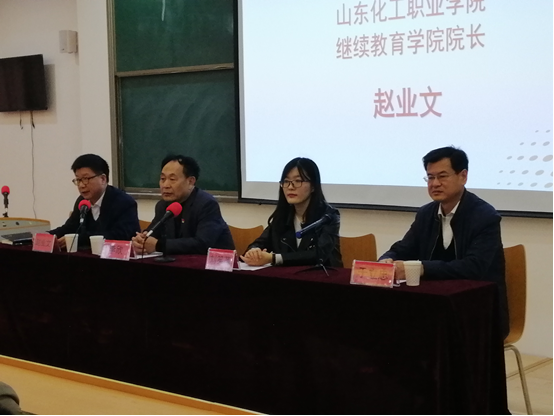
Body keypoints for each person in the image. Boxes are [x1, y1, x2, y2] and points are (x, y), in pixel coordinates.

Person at [379, 146, 509, 338]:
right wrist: (387, 260)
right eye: (430, 177)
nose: (435, 184)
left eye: (442, 176)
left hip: (477, 311)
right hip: (434, 306)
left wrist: (420, 268)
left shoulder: (485, 216)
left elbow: (473, 267)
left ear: (463, 176)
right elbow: (403, 248)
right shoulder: (426, 214)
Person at [241, 157, 342, 267]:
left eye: (298, 181)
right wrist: (254, 251)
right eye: (286, 181)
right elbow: (261, 242)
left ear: (313, 186)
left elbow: (318, 255)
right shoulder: (283, 215)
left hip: (322, 275)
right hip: (288, 276)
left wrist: (274, 258)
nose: (290, 187)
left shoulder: (329, 216)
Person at [132, 155, 234, 255]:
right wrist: (142, 241)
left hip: (215, 263)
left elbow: (202, 244)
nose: (165, 185)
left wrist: (159, 245)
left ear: (190, 181)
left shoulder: (207, 204)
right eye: (162, 179)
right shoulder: (163, 206)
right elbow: (152, 232)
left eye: (172, 179)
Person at [49, 154, 140, 248]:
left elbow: (120, 236)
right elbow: (70, 227)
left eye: (86, 179)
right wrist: (48, 235)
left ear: (103, 179)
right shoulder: (82, 201)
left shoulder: (124, 202)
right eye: (78, 180)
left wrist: (80, 239)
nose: (81, 185)